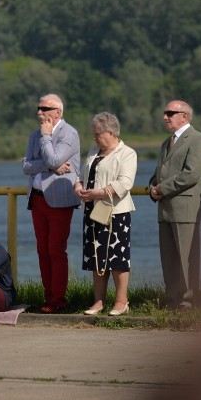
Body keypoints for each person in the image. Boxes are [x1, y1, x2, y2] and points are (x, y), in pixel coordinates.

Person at [147, 100, 201, 311]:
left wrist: (162, 188)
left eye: (170, 113)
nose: (165, 117)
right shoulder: (166, 142)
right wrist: (152, 186)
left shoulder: (197, 139)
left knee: (187, 257)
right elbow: (160, 171)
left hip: (185, 208)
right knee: (169, 258)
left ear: (184, 116)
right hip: (164, 208)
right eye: (165, 113)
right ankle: (171, 298)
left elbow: (192, 174)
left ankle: (188, 300)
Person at [22, 93, 81, 313]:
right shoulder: (34, 134)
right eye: (38, 108)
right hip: (37, 198)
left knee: (56, 250)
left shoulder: (70, 133)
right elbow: (26, 166)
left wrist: (46, 137)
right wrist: (50, 166)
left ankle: (58, 300)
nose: (39, 112)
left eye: (44, 108)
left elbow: (56, 159)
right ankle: (48, 298)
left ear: (58, 112)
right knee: (42, 250)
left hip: (59, 199)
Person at [74, 112, 137, 316]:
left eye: (98, 134)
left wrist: (97, 193)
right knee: (96, 257)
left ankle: (121, 301)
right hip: (92, 212)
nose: (95, 138)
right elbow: (81, 176)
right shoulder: (93, 152)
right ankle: (98, 301)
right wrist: (79, 187)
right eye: (93, 135)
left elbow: (125, 183)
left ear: (111, 132)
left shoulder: (127, 153)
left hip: (115, 212)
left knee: (117, 258)